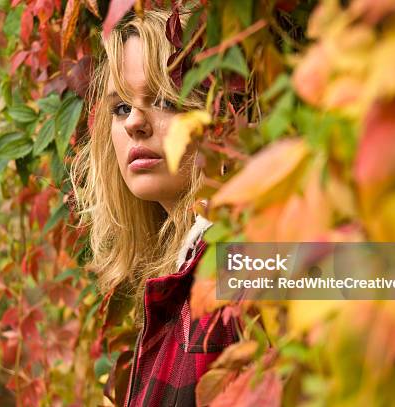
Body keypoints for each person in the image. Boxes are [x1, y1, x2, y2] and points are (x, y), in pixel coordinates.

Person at [70, 8, 239, 407]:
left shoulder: (242, 260)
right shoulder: (179, 281)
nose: (134, 124)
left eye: (164, 99)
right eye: (121, 107)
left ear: (219, 114)